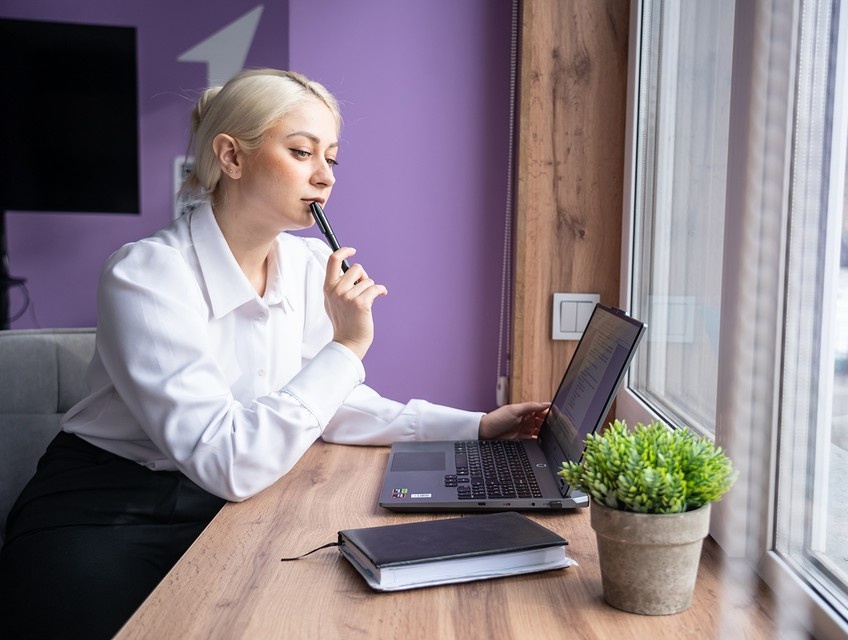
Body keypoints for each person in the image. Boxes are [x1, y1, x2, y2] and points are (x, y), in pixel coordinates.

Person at [0, 68, 548, 639]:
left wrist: (475, 426)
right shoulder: (147, 274)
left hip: (230, 502)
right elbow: (228, 461)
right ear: (231, 157)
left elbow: (328, 407)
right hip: (105, 505)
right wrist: (347, 346)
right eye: (302, 152)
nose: (325, 175)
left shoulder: (309, 265)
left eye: (331, 158)